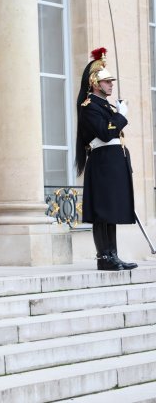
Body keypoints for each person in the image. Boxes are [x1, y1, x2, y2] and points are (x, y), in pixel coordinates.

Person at [75, 48, 138, 271]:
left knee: (110, 211)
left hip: (112, 162)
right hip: (102, 162)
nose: (111, 84)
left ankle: (113, 254)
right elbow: (105, 132)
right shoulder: (89, 107)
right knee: (103, 212)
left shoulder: (105, 106)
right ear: (94, 83)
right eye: (107, 81)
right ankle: (104, 257)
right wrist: (121, 115)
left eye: (111, 81)